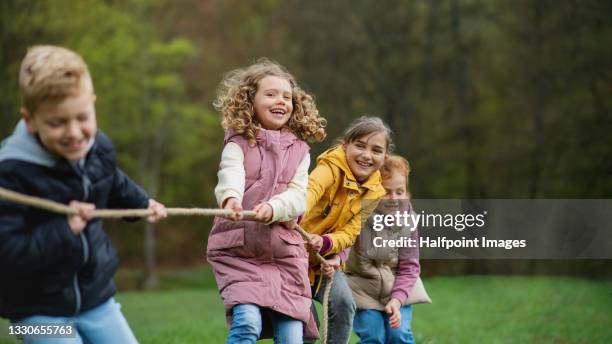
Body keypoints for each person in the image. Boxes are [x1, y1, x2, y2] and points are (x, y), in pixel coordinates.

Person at [0, 45, 167, 344]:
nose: (75, 133)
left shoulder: (97, 148)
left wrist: (141, 204)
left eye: (82, 117)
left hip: (95, 296)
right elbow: (7, 252)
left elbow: (112, 180)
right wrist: (65, 230)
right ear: (29, 120)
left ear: (92, 104)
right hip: (35, 311)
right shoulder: (11, 173)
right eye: (57, 123)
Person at [206, 58, 326, 344]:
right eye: (270, 94)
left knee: (291, 334)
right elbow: (230, 174)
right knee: (247, 323)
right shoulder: (237, 143)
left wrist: (274, 208)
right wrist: (232, 200)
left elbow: (299, 196)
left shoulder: (300, 151)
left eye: (287, 96)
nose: (280, 101)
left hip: (284, 255)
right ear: (251, 101)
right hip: (239, 251)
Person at [302, 116, 390, 344]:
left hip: (326, 260)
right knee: (305, 320)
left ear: (384, 157)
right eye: (359, 146)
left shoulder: (375, 192)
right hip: (294, 253)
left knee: (343, 302)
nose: (366, 155)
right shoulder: (330, 168)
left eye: (376, 150)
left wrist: (329, 246)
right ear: (345, 146)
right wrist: (296, 211)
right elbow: (311, 189)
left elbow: (352, 231)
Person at [346, 155, 420, 344]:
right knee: (373, 336)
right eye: (387, 192)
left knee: (399, 335)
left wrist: (397, 300)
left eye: (400, 192)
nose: (394, 198)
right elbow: (342, 246)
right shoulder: (357, 217)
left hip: (397, 289)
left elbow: (409, 268)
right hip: (362, 290)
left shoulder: (409, 223)